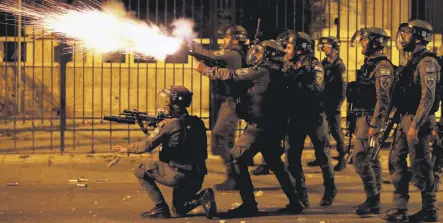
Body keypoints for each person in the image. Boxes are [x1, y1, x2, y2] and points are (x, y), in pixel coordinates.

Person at [194, 40, 305, 217]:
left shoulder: (263, 70)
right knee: (275, 162)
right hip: (275, 126)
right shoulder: (282, 71)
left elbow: (233, 74)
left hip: (261, 126)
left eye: (260, 52)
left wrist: (206, 70)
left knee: (237, 158)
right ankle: (295, 202)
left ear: (268, 54)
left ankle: (249, 205)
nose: (256, 55)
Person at [112, 86, 216, 219]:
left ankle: (160, 207)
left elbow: (148, 145)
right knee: (179, 210)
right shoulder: (197, 122)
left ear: (176, 105)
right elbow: (175, 140)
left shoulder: (169, 124)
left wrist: (127, 149)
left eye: (168, 102)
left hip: (179, 175)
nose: (165, 106)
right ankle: (203, 197)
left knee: (140, 170)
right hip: (197, 176)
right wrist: (149, 127)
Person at [380, 20, 440, 222]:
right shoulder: (411, 61)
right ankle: (400, 208)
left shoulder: (427, 62)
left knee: (420, 164)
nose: (403, 38)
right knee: (395, 160)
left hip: (418, 120)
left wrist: (415, 124)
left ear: (418, 37)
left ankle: (430, 209)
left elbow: (428, 97)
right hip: (405, 118)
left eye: (407, 34)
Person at [279, 30, 336, 208]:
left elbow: (317, 88)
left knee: (322, 156)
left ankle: (330, 189)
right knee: (292, 158)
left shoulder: (314, 64)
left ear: (301, 49)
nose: (286, 50)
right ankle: (300, 196)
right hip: (295, 117)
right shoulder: (286, 64)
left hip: (314, 117)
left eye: (289, 47)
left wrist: (299, 77)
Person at [190, 25, 250, 191]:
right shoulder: (236, 54)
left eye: (227, 37)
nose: (224, 40)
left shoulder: (233, 53)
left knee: (221, 136)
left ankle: (234, 176)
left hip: (233, 102)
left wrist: (191, 45)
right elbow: (211, 59)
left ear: (236, 39)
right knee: (224, 138)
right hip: (231, 101)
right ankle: (235, 175)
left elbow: (209, 55)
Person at [348, 27, 393, 216]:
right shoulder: (369, 64)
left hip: (370, 117)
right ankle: (375, 198)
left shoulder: (382, 66)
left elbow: (383, 98)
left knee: (359, 158)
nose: (361, 43)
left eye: (365, 40)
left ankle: (372, 198)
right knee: (372, 158)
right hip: (363, 116)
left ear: (375, 43)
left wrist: (376, 124)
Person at [307, 36, 347, 171]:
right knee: (322, 133)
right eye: (322, 46)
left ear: (334, 48)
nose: (324, 48)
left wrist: (339, 102)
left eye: (327, 46)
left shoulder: (339, 65)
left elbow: (343, 86)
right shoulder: (323, 63)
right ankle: (320, 157)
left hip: (333, 102)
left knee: (336, 131)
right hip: (322, 102)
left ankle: (342, 158)